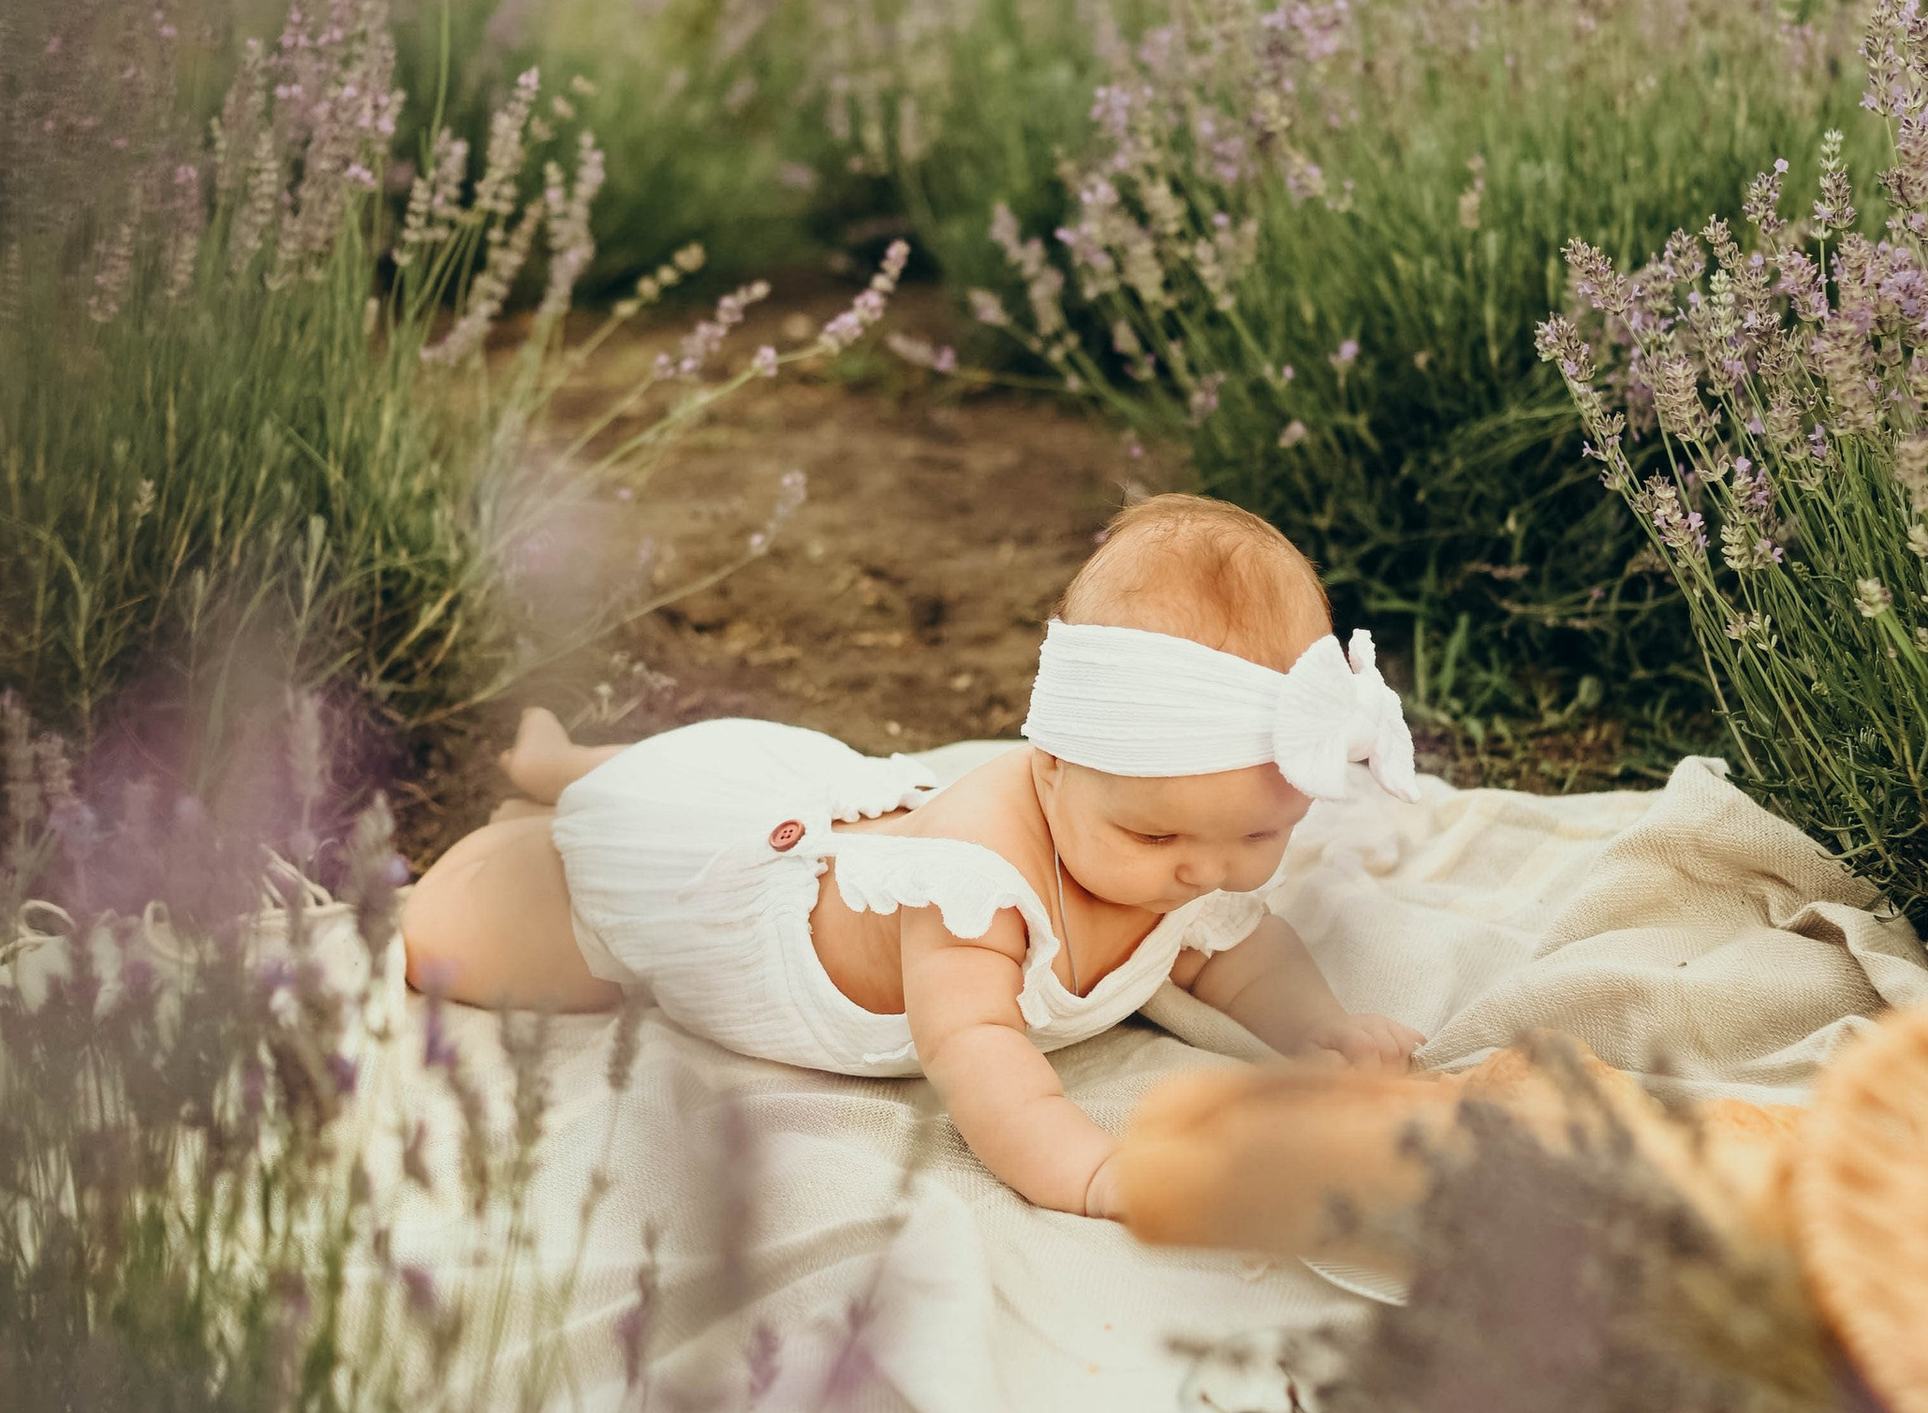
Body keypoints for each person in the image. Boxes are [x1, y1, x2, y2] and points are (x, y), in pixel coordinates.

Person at [401, 492, 1424, 1216]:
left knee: (698, 772)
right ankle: (535, 804)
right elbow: (976, 1052)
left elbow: (1235, 951)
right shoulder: (976, 879)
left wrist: (1320, 1027)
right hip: (723, 902)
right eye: (1156, 836)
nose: (1202, 874)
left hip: (821, 799)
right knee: (465, 933)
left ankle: (562, 763)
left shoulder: (1169, 850)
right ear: (1053, 764)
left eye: (1259, 835)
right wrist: (1087, 1169)